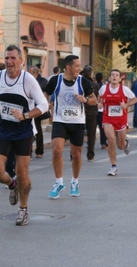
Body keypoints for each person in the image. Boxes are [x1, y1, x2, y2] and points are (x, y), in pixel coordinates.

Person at [0, 45, 49, 226]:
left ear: (21, 61)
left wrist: (26, 115)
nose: (9, 62)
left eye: (13, 58)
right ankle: (12, 185)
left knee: (22, 172)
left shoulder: (28, 80)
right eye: (6, 58)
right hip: (3, 131)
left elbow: (43, 105)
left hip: (23, 132)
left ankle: (23, 209)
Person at [45, 55, 97, 199]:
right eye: (77, 66)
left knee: (76, 154)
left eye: (80, 66)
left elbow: (94, 100)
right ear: (68, 67)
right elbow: (46, 93)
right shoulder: (56, 80)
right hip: (60, 120)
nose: (79, 69)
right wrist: (48, 104)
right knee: (56, 150)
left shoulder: (83, 82)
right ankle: (59, 182)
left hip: (77, 122)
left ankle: (75, 182)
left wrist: (85, 99)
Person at [99, 69, 137, 176]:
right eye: (112, 75)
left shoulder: (124, 89)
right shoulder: (103, 88)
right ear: (110, 78)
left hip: (120, 119)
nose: (114, 77)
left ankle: (125, 143)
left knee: (120, 146)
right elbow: (99, 98)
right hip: (108, 118)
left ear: (120, 79)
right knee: (111, 140)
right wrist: (99, 103)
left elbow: (135, 99)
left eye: (117, 75)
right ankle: (113, 166)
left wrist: (126, 105)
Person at [27, 65, 48, 158]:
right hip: (28, 108)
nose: (27, 74)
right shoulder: (26, 80)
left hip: (38, 108)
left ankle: (39, 151)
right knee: (29, 130)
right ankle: (29, 151)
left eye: (30, 73)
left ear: (35, 73)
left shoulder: (43, 81)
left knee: (38, 130)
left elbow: (47, 94)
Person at [81, 65, 99, 161]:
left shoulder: (78, 82)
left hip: (80, 111)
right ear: (91, 74)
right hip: (91, 111)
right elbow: (97, 98)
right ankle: (90, 155)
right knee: (91, 133)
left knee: (77, 132)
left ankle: (73, 154)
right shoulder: (94, 85)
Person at [95, 72, 107, 149]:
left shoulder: (93, 86)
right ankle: (103, 143)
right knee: (102, 127)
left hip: (94, 109)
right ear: (102, 78)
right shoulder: (104, 87)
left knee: (92, 128)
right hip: (102, 109)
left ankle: (90, 144)